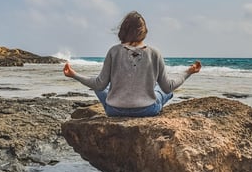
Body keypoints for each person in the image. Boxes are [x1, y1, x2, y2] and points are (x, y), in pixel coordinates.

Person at [63, 11, 201, 117]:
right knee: (162, 89)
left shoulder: (113, 51)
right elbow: (168, 86)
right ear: (144, 31)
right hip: (147, 110)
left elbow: (99, 85)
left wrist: (74, 74)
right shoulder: (155, 53)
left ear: (123, 30)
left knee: (100, 84)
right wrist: (188, 71)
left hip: (114, 111)